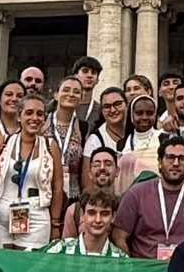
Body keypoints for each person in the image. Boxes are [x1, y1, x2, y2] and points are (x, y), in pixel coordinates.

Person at [113, 137, 184, 258]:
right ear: (159, 162)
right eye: (170, 157)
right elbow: (118, 236)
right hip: (144, 269)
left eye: (182, 159)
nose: (175, 163)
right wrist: (131, 266)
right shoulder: (136, 194)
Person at [0, 100, 61, 248]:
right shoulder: (3, 141)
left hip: (37, 216)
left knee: (28, 266)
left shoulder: (50, 146)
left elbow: (58, 186)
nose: (35, 118)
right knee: (1, 264)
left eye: (40, 114)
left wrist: (55, 223)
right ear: (19, 116)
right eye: (29, 113)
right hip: (2, 212)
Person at [61, 147, 122, 237]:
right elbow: (67, 246)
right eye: (96, 165)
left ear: (117, 171)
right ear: (89, 173)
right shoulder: (75, 210)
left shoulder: (125, 207)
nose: (102, 168)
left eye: (108, 164)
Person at [48, 74, 88, 203]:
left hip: (72, 195)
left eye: (76, 92)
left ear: (81, 98)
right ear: (56, 95)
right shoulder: (41, 122)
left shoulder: (84, 127)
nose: (71, 94)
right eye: (66, 90)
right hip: (44, 191)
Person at [84, 88, 132, 156]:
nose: (112, 110)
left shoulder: (137, 130)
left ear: (127, 105)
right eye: (107, 107)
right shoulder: (94, 142)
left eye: (117, 104)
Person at [72, 55, 104, 131]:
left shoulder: (101, 111)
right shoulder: (63, 106)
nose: (89, 76)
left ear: (97, 80)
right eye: (85, 71)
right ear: (76, 76)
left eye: (93, 73)